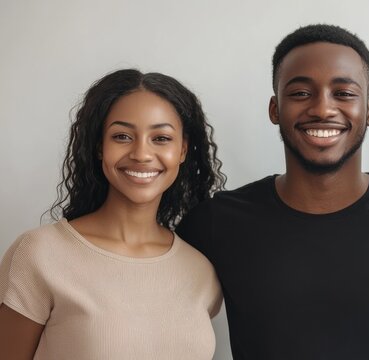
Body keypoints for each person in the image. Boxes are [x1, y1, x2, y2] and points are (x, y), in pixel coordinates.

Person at [176, 24, 369, 360]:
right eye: (301, 93)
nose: (322, 109)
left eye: (344, 93)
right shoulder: (216, 223)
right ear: (275, 109)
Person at [0, 69, 226, 359]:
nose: (141, 153)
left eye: (161, 138)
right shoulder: (39, 254)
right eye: (122, 136)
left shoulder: (201, 272)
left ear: (182, 150)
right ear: (99, 147)